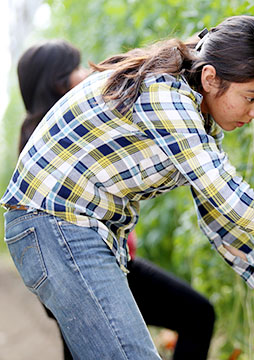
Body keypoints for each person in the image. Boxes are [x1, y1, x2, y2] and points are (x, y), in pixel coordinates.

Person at [1, 16, 254, 360]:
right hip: (57, 226)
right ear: (210, 78)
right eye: (251, 97)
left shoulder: (194, 114)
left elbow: (221, 218)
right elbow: (236, 203)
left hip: (72, 231)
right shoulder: (165, 93)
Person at [14, 39, 215, 360]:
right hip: (90, 260)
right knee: (197, 314)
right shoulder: (64, 129)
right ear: (57, 80)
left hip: (98, 258)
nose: (86, 73)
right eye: (77, 67)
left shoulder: (42, 131)